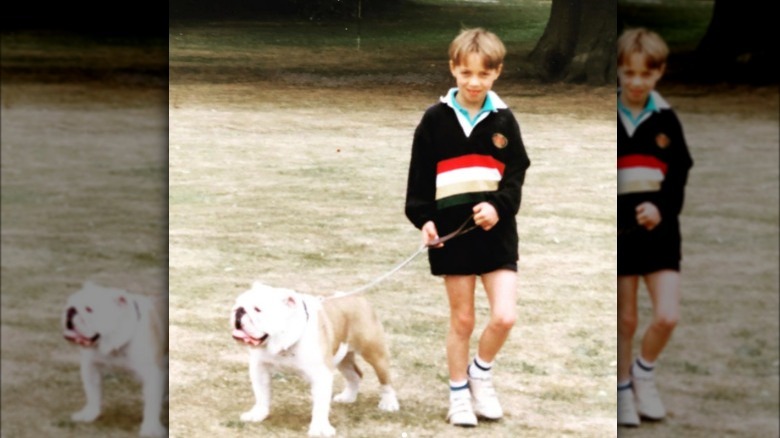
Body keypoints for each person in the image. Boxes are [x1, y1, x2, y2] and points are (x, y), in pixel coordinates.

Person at [404, 27, 531, 427]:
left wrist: (498, 207)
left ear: (497, 73)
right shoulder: (434, 119)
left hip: (497, 233)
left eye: (483, 74)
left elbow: (515, 174)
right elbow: (419, 179)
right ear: (453, 70)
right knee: (462, 320)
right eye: (466, 74)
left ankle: (481, 372)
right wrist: (423, 220)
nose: (474, 83)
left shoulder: (504, 119)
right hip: (451, 235)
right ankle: (458, 393)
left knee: (504, 316)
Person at [616, 27, 694, 427]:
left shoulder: (666, 118)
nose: (636, 82)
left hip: (661, 232)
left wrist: (661, 208)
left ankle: (643, 374)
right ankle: (622, 389)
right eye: (628, 73)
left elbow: (679, 174)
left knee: (667, 315)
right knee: (625, 320)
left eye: (645, 74)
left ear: (658, 73)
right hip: (622, 238)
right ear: (618, 71)